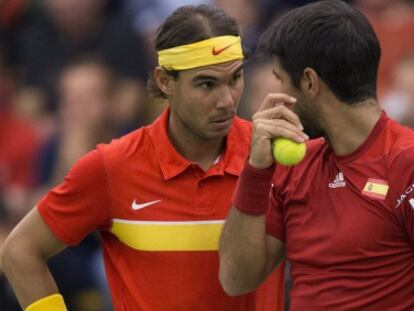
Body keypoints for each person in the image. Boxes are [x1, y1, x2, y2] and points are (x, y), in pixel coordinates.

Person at [1, 5, 285, 311]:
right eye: (206, 84)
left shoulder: (275, 157)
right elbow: (20, 251)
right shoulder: (113, 166)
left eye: (235, 78)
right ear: (165, 81)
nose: (227, 100)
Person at [219, 1, 414, 310]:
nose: (277, 96)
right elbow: (235, 278)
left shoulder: (406, 162)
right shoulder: (294, 166)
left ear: (310, 82)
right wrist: (255, 170)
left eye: (281, 79)